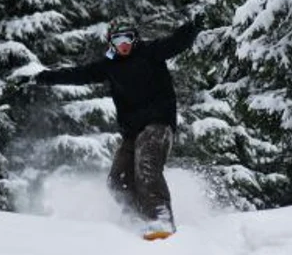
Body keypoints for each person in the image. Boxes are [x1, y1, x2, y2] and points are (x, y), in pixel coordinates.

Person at [25, 15, 204, 239]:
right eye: (118, 41)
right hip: (132, 132)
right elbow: (78, 74)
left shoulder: (150, 52)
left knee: (146, 164)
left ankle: (161, 219)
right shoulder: (109, 65)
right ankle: (138, 219)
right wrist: (41, 78)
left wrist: (193, 26)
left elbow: (177, 42)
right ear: (111, 43)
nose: (123, 46)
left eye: (127, 39)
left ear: (135, 39)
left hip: (158, 124)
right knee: (117, 180)